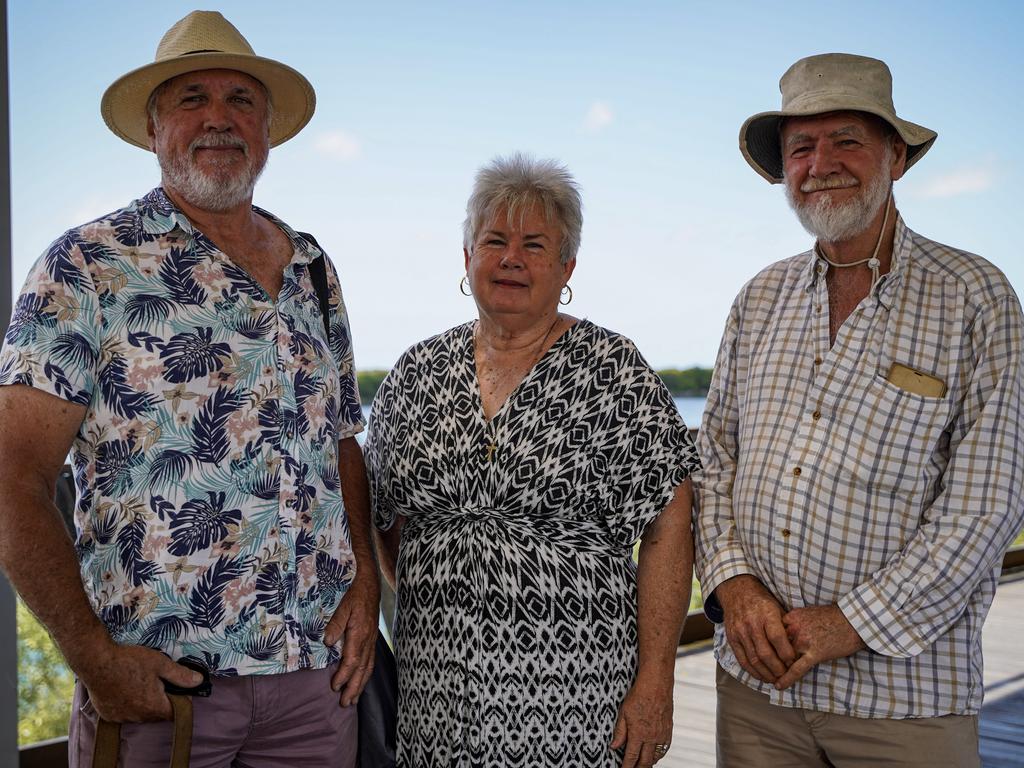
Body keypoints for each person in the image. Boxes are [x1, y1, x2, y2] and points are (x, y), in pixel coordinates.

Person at [0, 11, 379, 767]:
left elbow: (340, 443)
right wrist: (92, 658)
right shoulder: (86, 265)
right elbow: (13, 475)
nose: (219, 119)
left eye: (242, 100)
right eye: (191, 98)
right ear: (152, 127)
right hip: (160, 692)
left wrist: (366, 582)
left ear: (267, 128)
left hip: (314, 683)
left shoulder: (311, 267)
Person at [694, 52, 1024, 766]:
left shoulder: (976, 296)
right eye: (801, 148)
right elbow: (714, 457)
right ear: (785, 170)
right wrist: (734, 585)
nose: (822, 163)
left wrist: (845, 623)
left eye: (847, 140)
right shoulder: (760, 298)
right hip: (756, 694)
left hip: (902, 702)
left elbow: (987, 504)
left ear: (895, 156)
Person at [364, 154, 701, 768]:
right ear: (466, 256)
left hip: (576, 695)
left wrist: (656, 682)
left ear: (567, 265)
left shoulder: (612, 370)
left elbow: (669, 527)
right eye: (494, 240)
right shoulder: (415, 374)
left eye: (534, 245)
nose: (511, 258)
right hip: (436, 694)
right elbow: (383, 516)